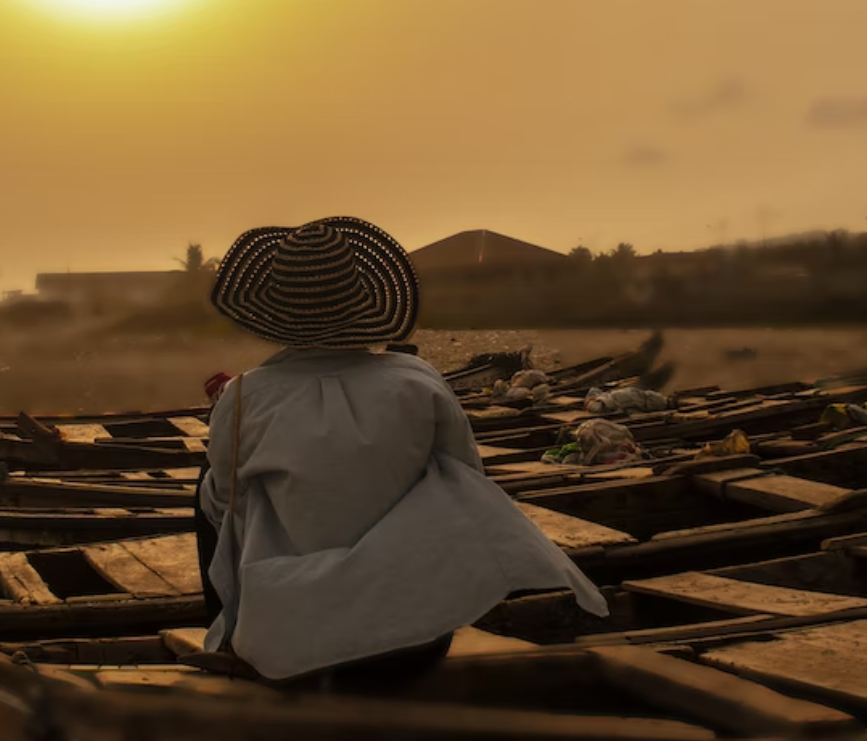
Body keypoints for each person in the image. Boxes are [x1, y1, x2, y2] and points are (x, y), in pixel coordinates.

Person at [195, 217, 608, 694]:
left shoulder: (244, 395)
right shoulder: (418, 380)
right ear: (362, 303)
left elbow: (224, 505)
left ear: (276, 312)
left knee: (210, 486)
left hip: (287, 642)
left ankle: (227, 637)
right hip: (415, 644)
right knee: (448, 479)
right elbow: (469, 482)